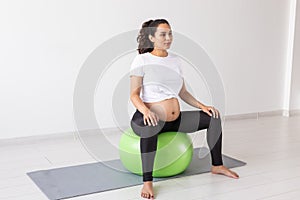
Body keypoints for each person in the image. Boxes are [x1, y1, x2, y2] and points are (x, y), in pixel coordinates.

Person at [129, 19, 239, 199]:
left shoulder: (176, 61)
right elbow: (134, 94)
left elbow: (183, 92)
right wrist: (146, 111)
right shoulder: (141, 60)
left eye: (170, 33)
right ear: (151, 37)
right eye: (163, 34)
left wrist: (203, 106)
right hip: (147, 118)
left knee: (213, 118)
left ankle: (217, 165)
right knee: (149, 127)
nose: (168, 38)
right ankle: (147, 182)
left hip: (173, 120)